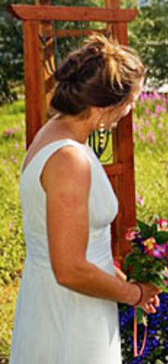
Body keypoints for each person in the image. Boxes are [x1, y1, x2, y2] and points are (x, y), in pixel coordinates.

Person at [11, 35, 159, 364]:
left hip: (68, 301)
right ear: (104, 107)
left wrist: (125, 281)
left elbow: (79, 246)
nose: (131, 108)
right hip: (69, 313)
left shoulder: (55, 132)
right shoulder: (69, 159)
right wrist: (133, 294)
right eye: (131, 100)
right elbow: (70, 269)